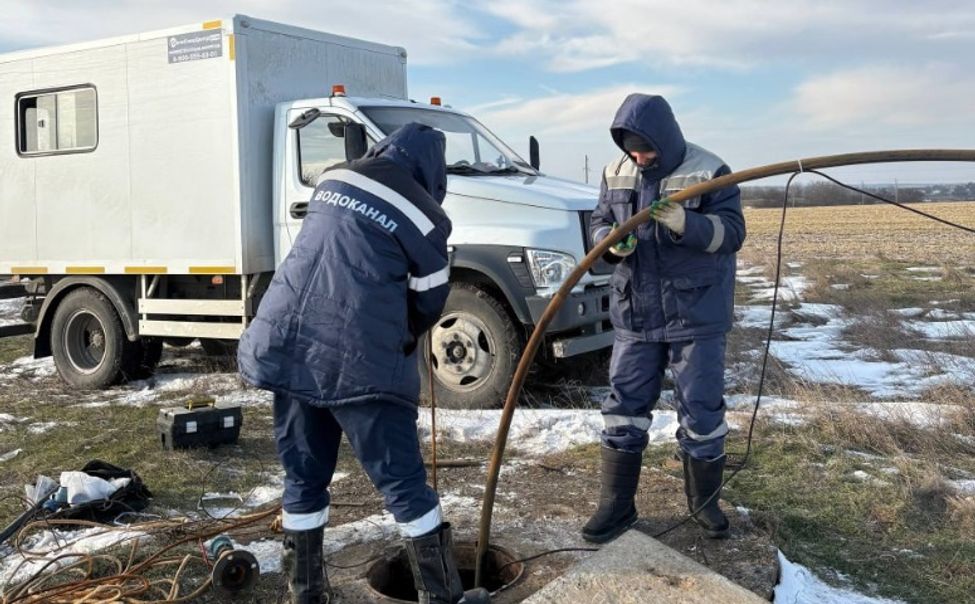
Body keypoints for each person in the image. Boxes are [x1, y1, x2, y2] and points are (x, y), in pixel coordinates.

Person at [238, 123, 488, 604]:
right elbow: (429, 302)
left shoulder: (335, 179)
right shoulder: (427, 216)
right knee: (406, 486)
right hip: (359, 361)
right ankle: (442, 596)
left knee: (304, 478)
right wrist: (402, 335)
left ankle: (305, 594)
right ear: (433, 172)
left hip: (288, 345)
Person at [582, 94, 746, 544]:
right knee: (624, 409)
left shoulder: (710, 170)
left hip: (696, 314)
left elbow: (733, 233)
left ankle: (704, 504)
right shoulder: (616, 172)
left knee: (702, 410)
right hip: (635, 311)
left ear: (666, 139)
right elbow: (598, 222)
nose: (639, 157)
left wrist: (685, 224)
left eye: (646, 150)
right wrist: (613, 243)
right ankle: (616, 507)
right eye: (632, 149)